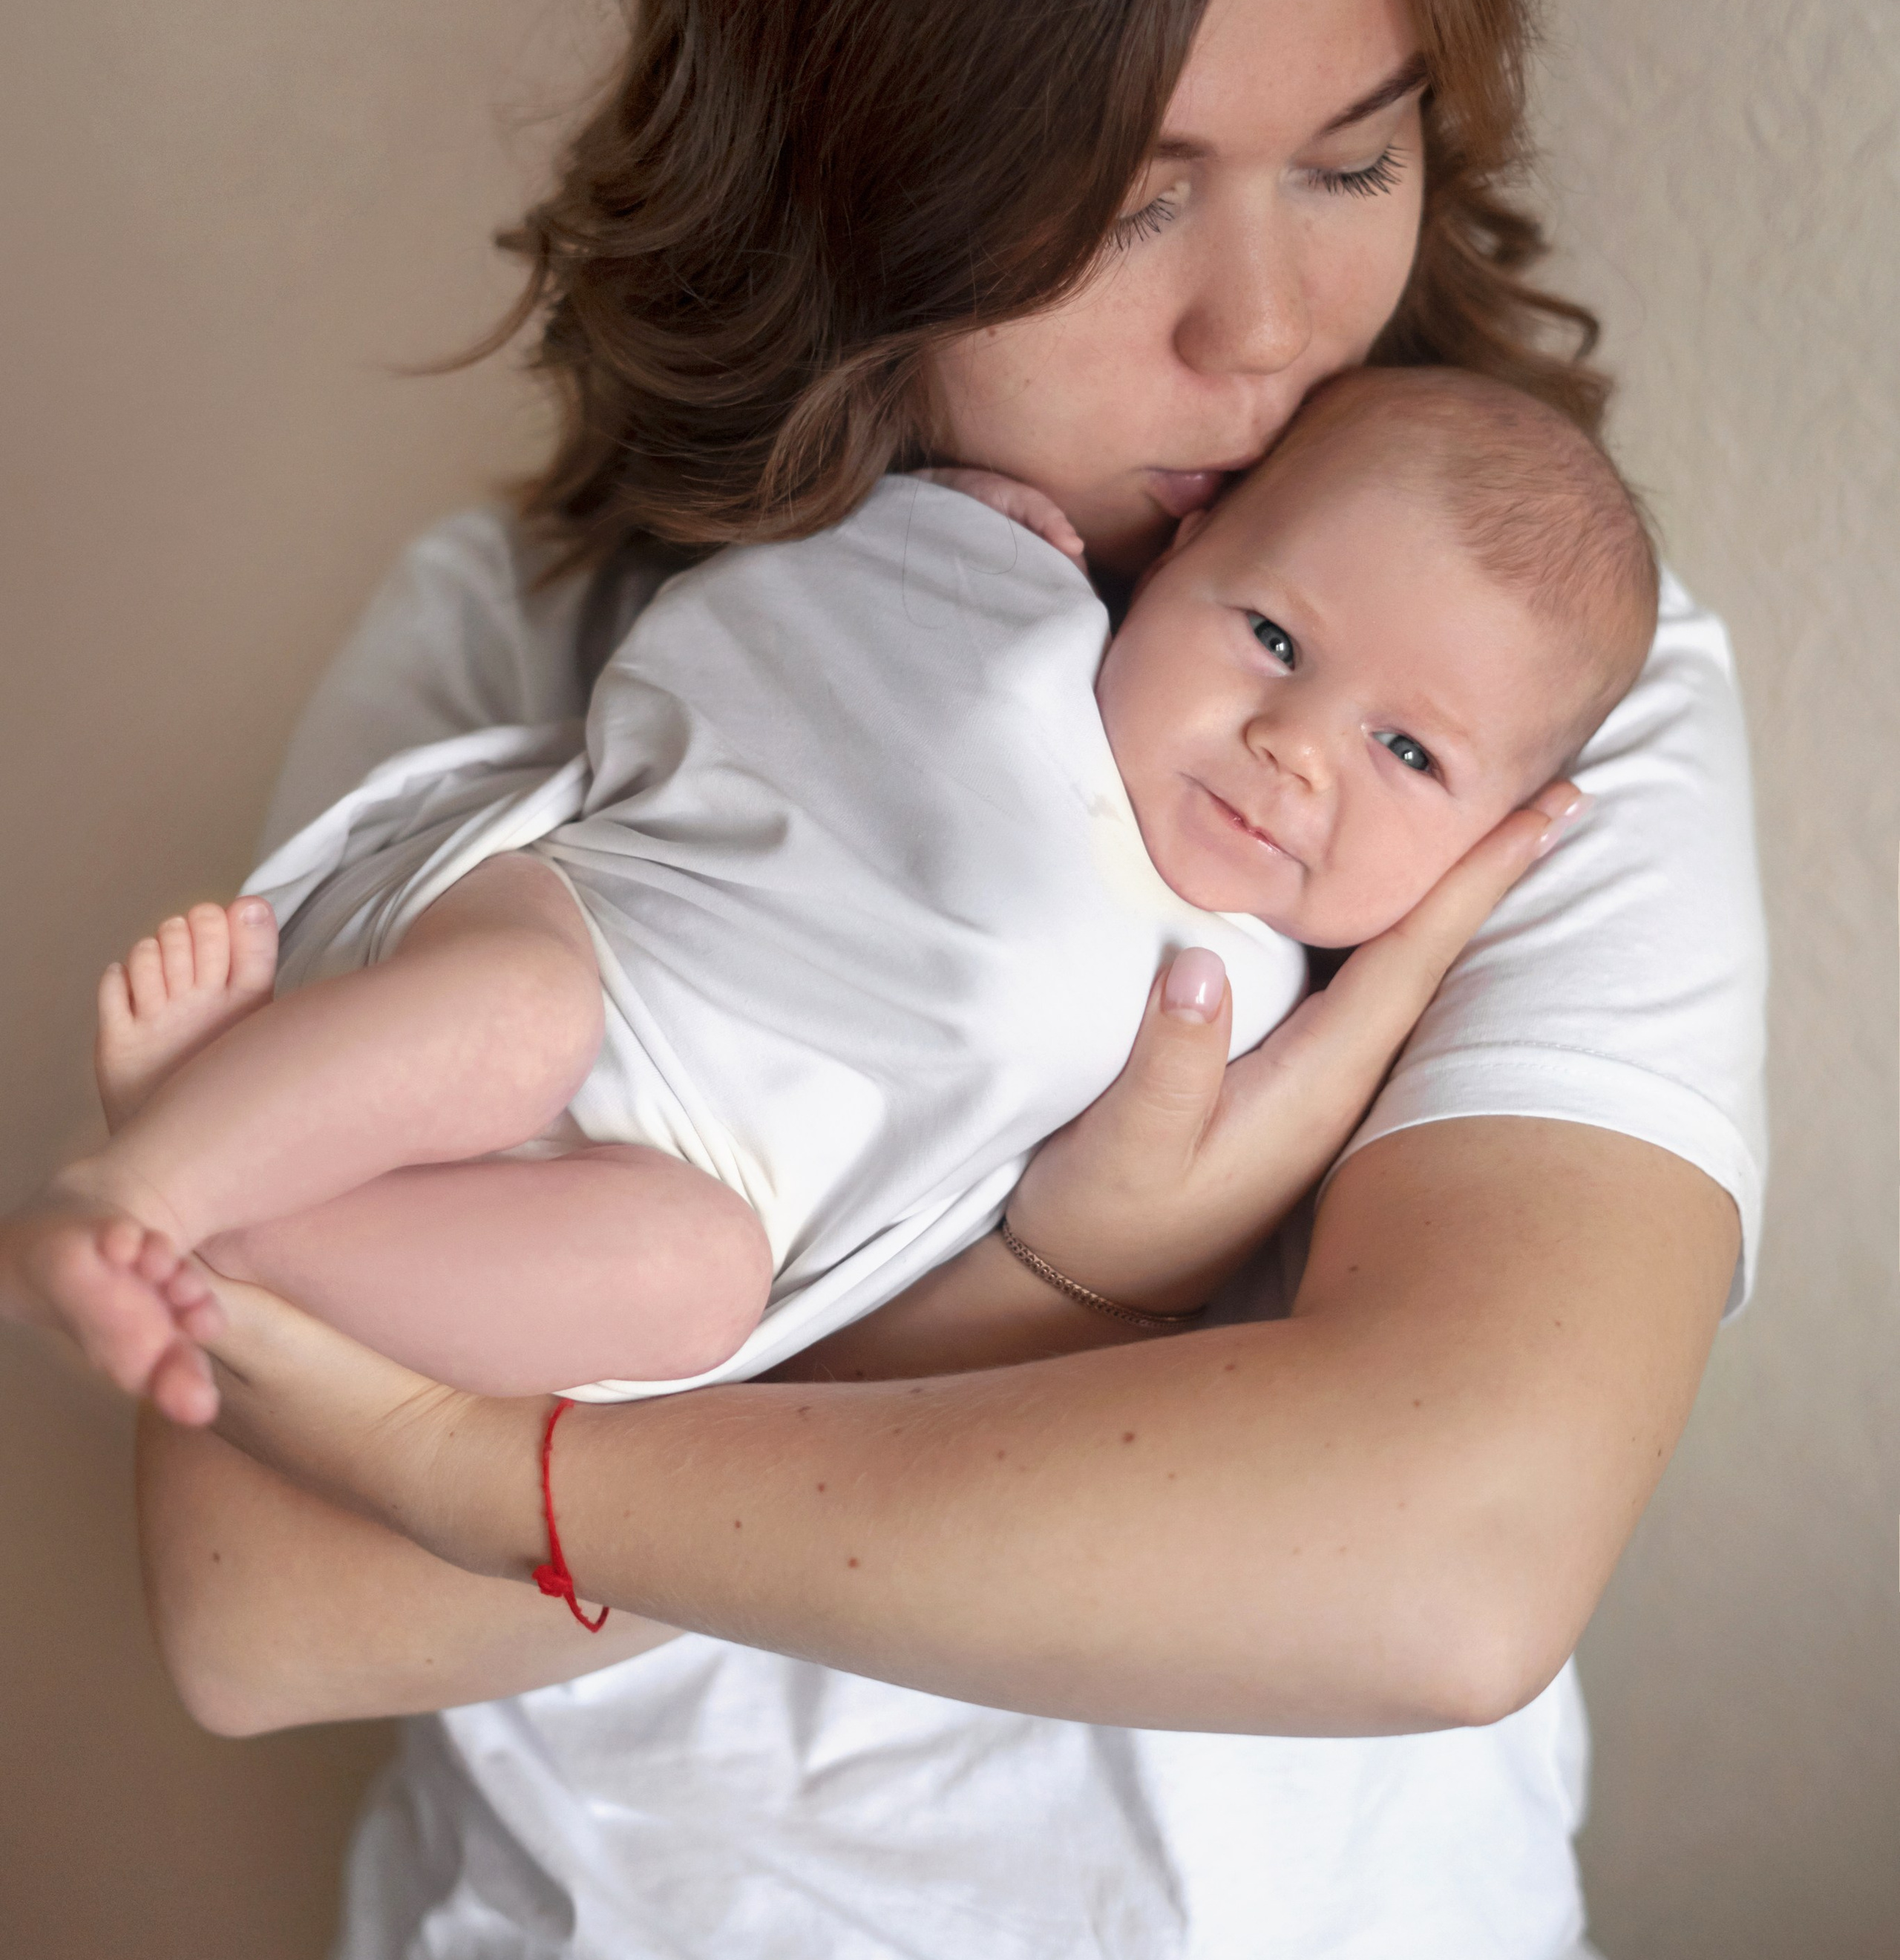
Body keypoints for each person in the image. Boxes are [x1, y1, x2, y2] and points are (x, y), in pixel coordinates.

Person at [124, 0, 1763, 1960]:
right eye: (1129, 204)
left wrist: (496, 1480)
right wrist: (1068, 1286)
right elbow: (257, 1604)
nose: (1269, 331)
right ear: (845, 158)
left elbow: (1436, 1560)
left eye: (1355, 161)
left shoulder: (1524, 693)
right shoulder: (530, 654)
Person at [2, 367, 1642, 1410]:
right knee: (515, 1025)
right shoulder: (1019, 621)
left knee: (687, 1288)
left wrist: (1417, 953)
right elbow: (767, 643)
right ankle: (125, 1186)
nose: (1293, 752)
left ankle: (232, 1242)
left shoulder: (1272, 1006)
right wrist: (923, 528)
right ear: (1181, 550)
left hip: (720, 1180)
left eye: (1408, 757)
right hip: (612, 940)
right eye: (1270, 640)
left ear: (1499, 834)